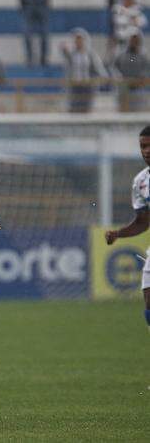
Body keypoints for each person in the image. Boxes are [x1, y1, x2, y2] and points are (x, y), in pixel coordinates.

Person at [105, 126, 150, 331]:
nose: (146, 150)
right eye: (143, 146)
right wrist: (118, 234)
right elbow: (143, 221)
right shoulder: (141, 181)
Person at [60, 28, 108, 113]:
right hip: (74, 86)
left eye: (80, 39)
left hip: (87, 86)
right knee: (73, 109)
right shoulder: (72, 54)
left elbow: (99, 69)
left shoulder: (90, 55)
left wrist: (97, 80)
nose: (78, 42)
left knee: (86, 110)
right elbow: (68, 65)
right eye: (76, 40)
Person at [112, 31, 150, 112]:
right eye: (132, 39)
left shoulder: (143, 55)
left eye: (136, 39)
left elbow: (147, 69)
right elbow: (114, 67)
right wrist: (118, 76)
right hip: (124, 89)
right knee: (123, 113)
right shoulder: (121, 54)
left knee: (138, 113)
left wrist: (142, 77)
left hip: (139, 89)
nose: (134, 41)